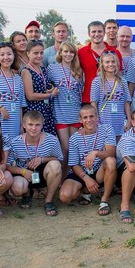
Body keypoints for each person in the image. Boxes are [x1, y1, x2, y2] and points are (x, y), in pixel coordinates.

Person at [59, 105, 118, 216]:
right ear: (80, 120)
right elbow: (74, 164)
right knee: (64, 197)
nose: (89, 120)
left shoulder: (107, 129)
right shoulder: (74, 138)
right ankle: (85, 190)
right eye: (85, 117)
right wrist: (86, 179)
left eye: (91, 116)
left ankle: (104, 200)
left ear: (97, 117)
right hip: (82, 172)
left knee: (111, 161)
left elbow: (111, 152)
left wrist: (95, 153)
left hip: (100, 171)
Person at [7, 110, 64, 215]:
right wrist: (23, 172)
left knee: (55, 166)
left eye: (37, 125)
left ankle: (49, 201)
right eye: (30, 124)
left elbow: (59, 159)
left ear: (42, 125)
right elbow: (7, 166)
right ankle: (27, 194)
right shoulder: (15, 142)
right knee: (17, 188)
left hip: (43, 174)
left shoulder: (52, 140)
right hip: (24, 174)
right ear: (24, 125)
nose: (33, 128)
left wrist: (42, 159)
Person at [46, 41, 84, 171]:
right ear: (60, 53)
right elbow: (47, 86)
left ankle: (69, 176)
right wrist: (51, 90)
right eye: (65, 51)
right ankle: (61, 177)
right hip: (60, 113)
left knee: (73, 149)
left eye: (71, 52)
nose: (68, 54)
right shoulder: (52, 68)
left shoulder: (78, 71)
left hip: (74, 112)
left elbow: (79, 93)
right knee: (65, 148)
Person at [78, 20, 122, 104]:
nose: (97, 34)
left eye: (99, 31)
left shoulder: (115, 52)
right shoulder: (81, 52)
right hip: (88, 98)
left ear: (104, 33)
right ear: (89, 34)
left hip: (110, 98)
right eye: (93, 32)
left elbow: (119, 76)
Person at [21, 40, 59, 136]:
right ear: (28, 54)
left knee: (47, 139)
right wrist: (50, 95)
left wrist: (51, 88)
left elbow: (45, 84)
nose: (39, 56)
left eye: (41, 53)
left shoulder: (42, 69)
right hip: (34, 111)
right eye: (35, 53)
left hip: (46, 109)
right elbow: (30, 96)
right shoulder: (26, 71)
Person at [90, 51, 131, 139]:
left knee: (119, 145)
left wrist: (129, 120)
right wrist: (96, 120)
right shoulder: (97, 81)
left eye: (113, 61)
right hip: (103, 122)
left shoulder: (122, 81)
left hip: (120, 122)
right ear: (102, 64)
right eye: (107, 62)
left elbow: (126, 103)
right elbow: (93, 103)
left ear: (117, 63)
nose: (110, 64)